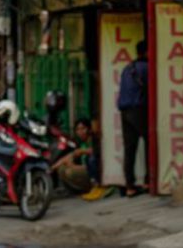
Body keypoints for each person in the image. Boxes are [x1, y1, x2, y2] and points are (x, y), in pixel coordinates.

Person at [117, 39, 149, 197]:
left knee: (130, 149)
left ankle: (130, 186)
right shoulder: (146, 67)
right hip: (138, 109)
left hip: (124, 111)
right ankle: (150, 180)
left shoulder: (127, 68)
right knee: (150, 142)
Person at [54, 118, 112, 201]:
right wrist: (52, 168)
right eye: (78, 129)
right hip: (87, 170)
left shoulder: (94, 139)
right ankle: (81, 190)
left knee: (72, 170)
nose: (80, 132)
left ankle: (99, 186)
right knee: (61, 169)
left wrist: (82, 152)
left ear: (88, 129)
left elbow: (96, 151)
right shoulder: (80, 143)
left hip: (98, 170)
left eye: (83, 128)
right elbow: (69, 156)